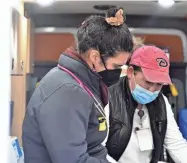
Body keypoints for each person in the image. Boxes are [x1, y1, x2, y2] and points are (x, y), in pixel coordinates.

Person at [22, 7, 133, 163]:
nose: (118, 72)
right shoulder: (67, 91)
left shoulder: (83, 83)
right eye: (116, 66)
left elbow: (92, 146)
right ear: (95, 56)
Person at [105, 46, 187, 163]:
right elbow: (97, 148)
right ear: (130, 72)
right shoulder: (108, 97)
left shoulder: (161, 101)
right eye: (148, 82)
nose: (152, 90)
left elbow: (176, 143)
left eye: (159, 84)